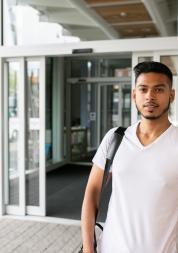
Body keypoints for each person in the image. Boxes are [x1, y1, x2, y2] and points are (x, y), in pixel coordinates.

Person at [81, 61, 178, 253]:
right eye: (143, 89)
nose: (150, 96)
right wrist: (88, 248)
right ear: (134, 95)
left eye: (159, 89)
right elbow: (92, 193)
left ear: (171, 95)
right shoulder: (115, 138)